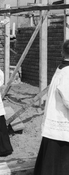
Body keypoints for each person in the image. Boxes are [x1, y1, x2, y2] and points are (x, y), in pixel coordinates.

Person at [34, 40, 69, 175]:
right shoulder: (68, 72)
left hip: (56, 118)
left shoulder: (61, 68)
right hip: (62, 120)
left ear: (62, 52)